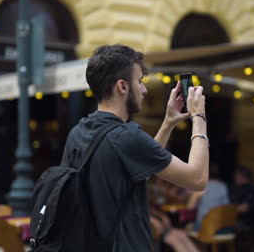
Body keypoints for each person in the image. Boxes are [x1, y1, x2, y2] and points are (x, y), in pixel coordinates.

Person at [62, 44, 209, 251]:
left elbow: (139, 167)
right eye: (139, 81)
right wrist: (199, 117)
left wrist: (168, 123)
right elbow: (198, 179)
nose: (144, 89)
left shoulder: (77, 133)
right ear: (122, 86)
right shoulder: (126, 136)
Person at [231, 166, 254, 250]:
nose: (235, 178)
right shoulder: (234, 188)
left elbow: (246, 207)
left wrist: (232, 210)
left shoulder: (252, 190)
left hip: (248, 222)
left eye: (236, 176)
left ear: (242, 176)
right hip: (238, 220)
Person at [187, 163, 230, 230]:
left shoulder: (201, 186)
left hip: (202, 226)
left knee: (188, 225)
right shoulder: (223, 186)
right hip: (219, 226)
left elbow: (190, 208)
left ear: (206, 173)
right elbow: (226, 206)